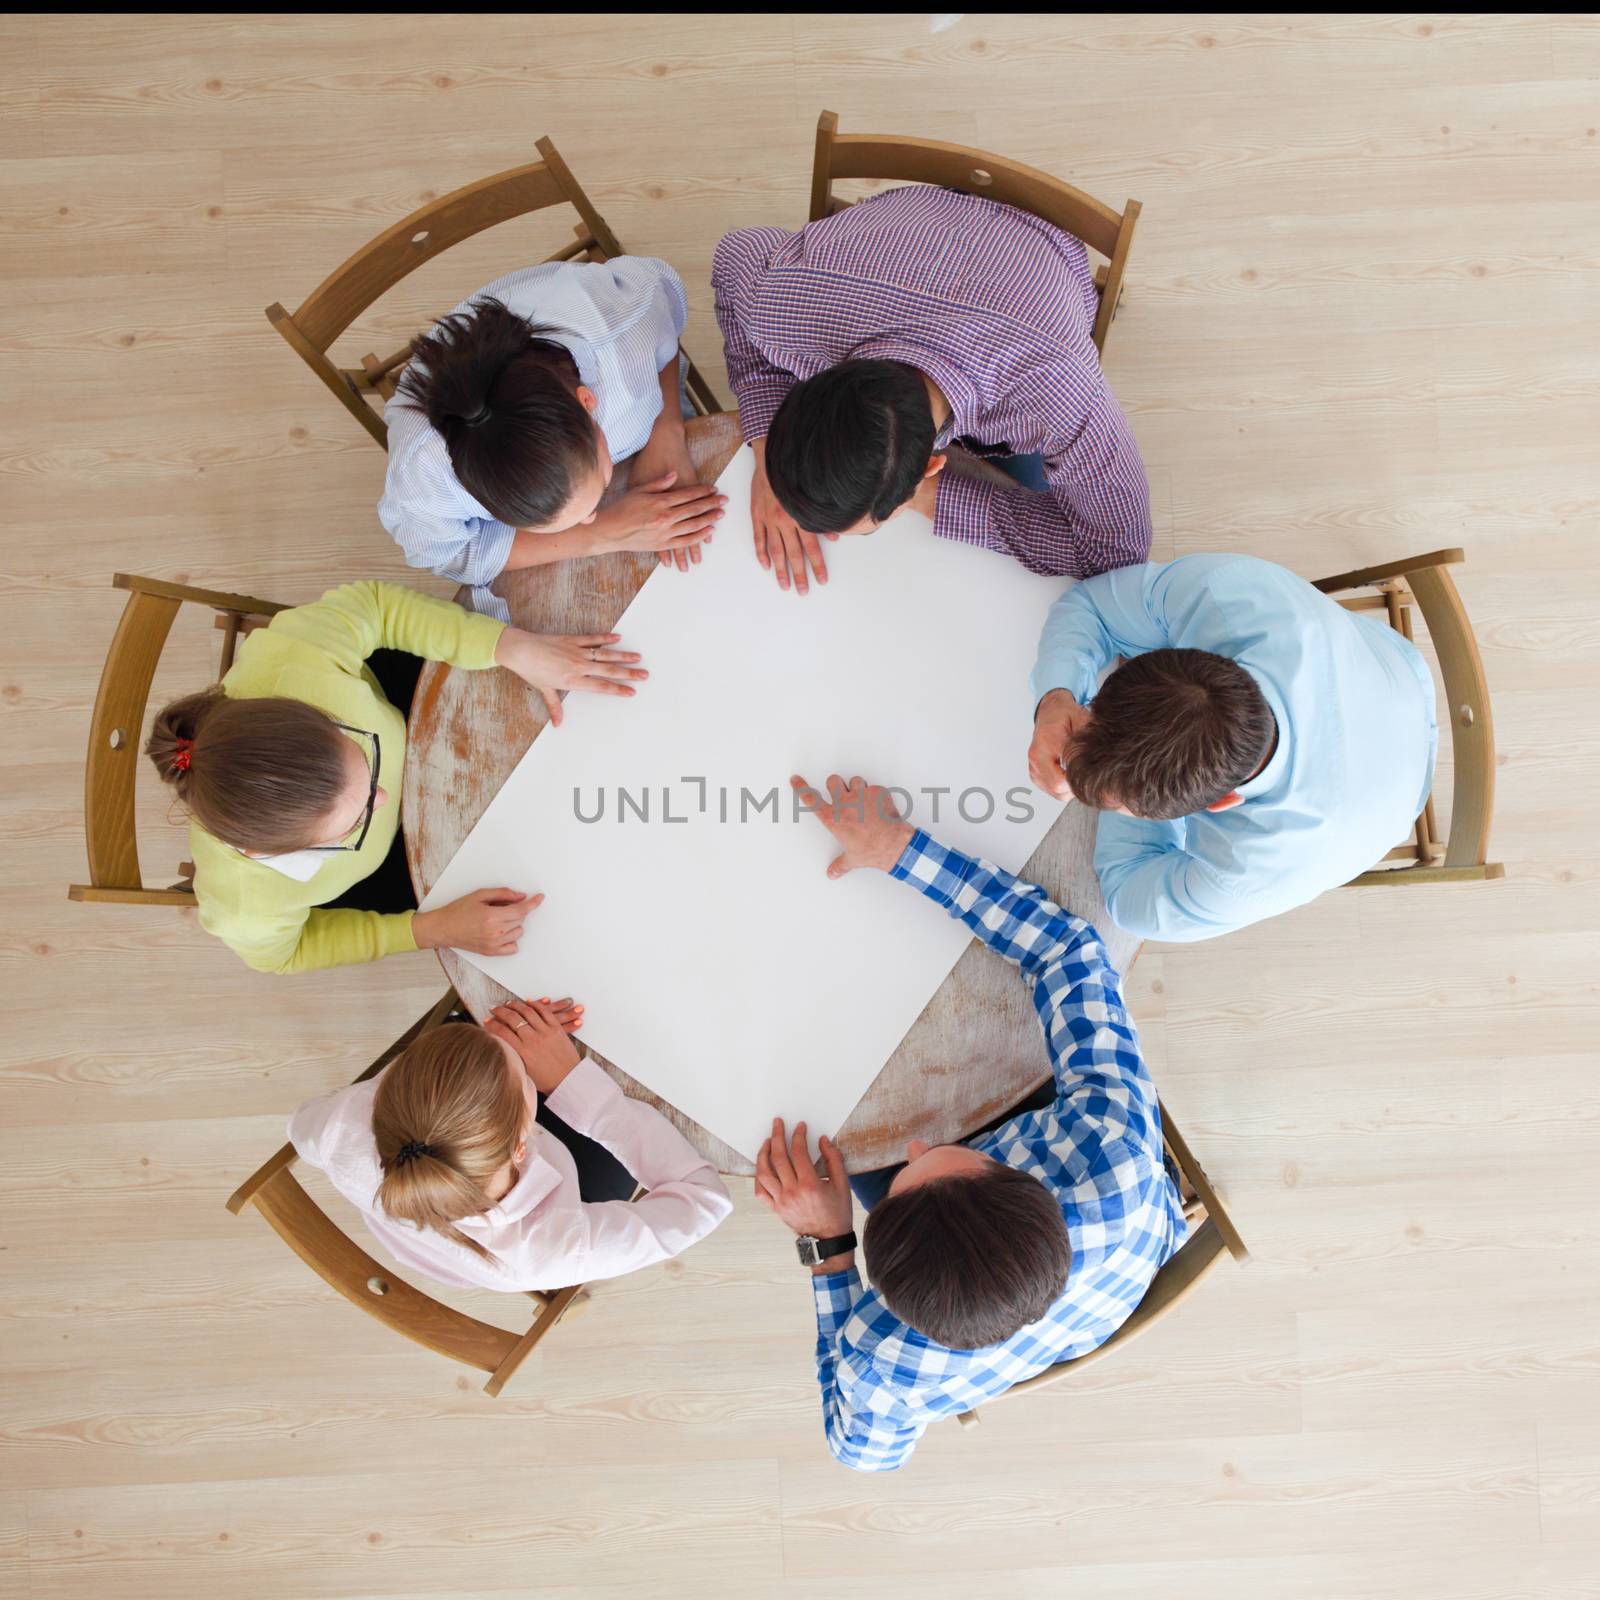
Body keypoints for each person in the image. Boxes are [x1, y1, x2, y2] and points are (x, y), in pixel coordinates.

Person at [757, 773, 1186, 1473]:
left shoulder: (881, 1358)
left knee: (863, 1150)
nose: (921, 1143)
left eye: (915, 1168)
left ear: (884, 1286)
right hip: (1129, 1242)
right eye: (957, 1156)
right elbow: (1067, 954)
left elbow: (860, 1455)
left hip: (1110, 1268)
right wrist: (901, 849)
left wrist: (830, 1249)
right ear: (1024, 1182)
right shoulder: (1111, 1149)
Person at [146, 580, 646, 974]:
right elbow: (288, 954)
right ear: (267, 855)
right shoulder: (243, 903)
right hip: (391, 868)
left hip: (410, 715)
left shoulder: (294, 659)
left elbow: (377, 607)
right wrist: (429, 930)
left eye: (358, 757)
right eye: (355, 815)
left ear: (309, 713)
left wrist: (510, 646)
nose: (386, 796)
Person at [710, 183, 1151, 595]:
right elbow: (734, 255)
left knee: (1040, 485)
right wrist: (768, 452)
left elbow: (1119, 554)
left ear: (932, 467)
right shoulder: (783, 303)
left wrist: (930, 500)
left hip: (1041, 250)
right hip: (912, 224)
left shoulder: (1056, 394)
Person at [1026, 553, 1439, 942]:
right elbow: (1090, 606)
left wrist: (1114, 784)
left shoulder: (1251, 876)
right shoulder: (1228, 592)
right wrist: (1055, 700)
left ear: (1223, 801)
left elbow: (1127, 895)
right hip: (1390, 666)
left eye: (1122, 806)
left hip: (1394, 794)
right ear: (1177, 658)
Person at [290, 996, 732, 1292]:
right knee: (630, 1144)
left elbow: (301, 1130)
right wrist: (585, 1094)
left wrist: (491, 1065)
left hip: (429, 1241)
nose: (515, 1050)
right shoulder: (554, 1248)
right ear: (524, 1142)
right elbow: (705, 1200)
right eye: (523, 1069)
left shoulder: (341, 1127)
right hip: (520, 1231)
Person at [379, 258, 728, 619]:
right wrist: (602, 535)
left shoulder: (624, 326)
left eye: (595, 500)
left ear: (588, 401)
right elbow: (444, 552)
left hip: (595, 333)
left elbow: (664, 307)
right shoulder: (423, 475)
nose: (593, 516)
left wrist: (666, 427)